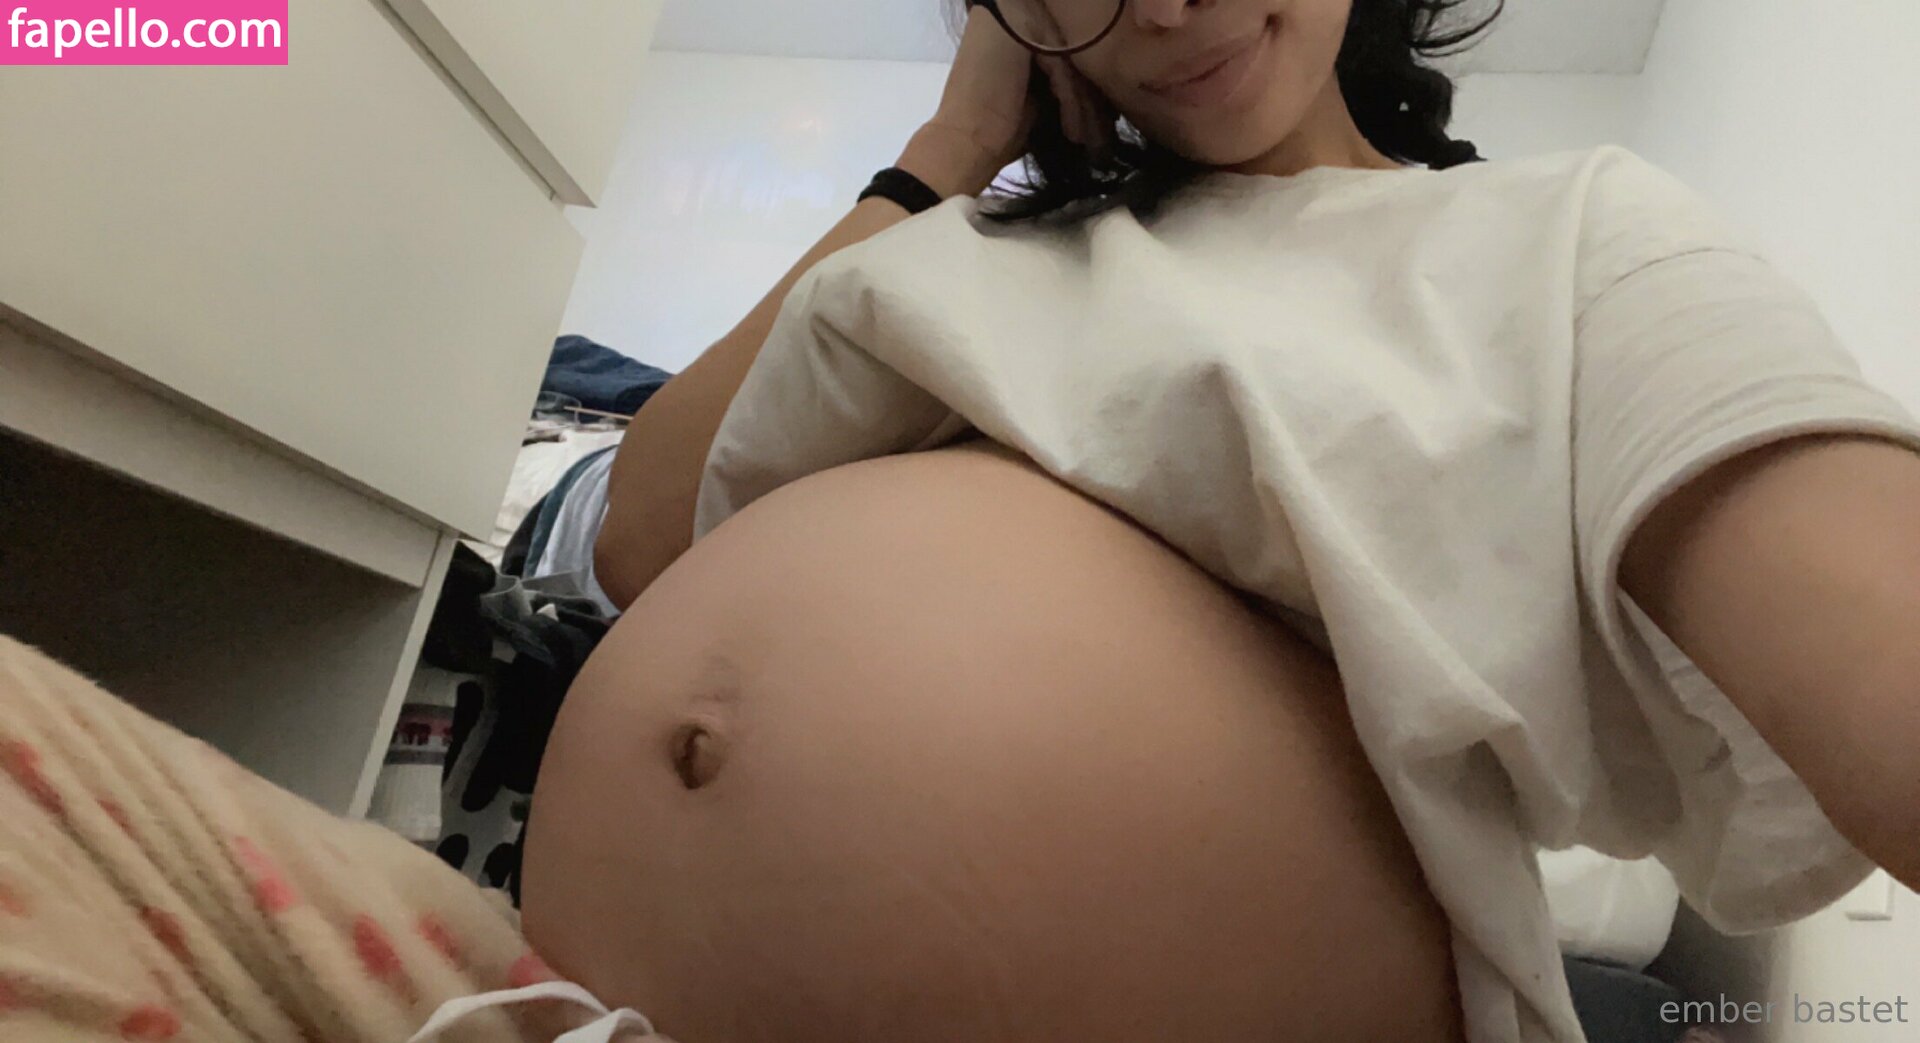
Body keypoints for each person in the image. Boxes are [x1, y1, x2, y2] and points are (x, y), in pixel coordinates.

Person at [549, 0, 1920, 1041]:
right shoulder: (960, 253)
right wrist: (949, 148)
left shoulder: (1569, 240)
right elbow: (646, 533)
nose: (1160, 11)